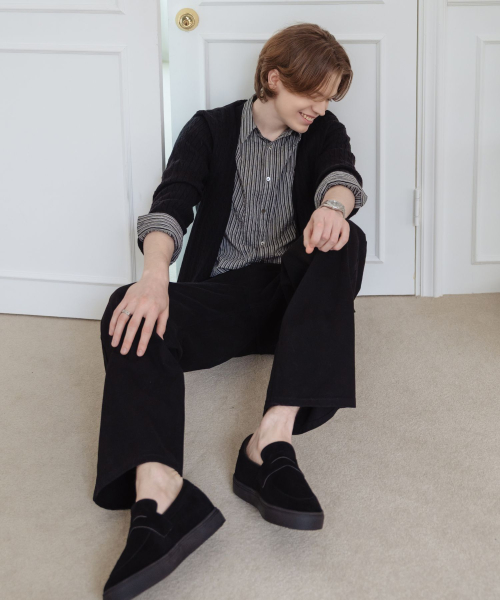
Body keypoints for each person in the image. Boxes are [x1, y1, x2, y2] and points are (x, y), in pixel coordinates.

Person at [94, 22, 368, 600]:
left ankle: (270, 442)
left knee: (347, 238)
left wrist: (334, 208)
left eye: (328, 99)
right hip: (226, 299)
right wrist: (153, 277)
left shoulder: (324, 132)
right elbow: (172, 203)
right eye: (311, 95)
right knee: (125, 306)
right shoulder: (210, 129)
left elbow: (342, 177)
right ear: (274, 78)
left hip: (296, 300)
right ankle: (160, 493)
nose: (320, 109)